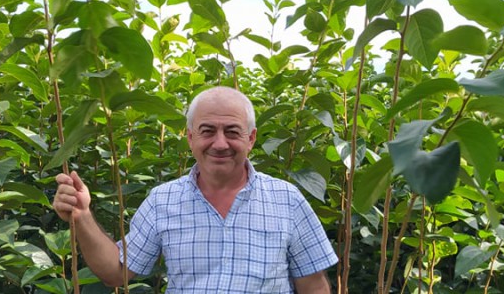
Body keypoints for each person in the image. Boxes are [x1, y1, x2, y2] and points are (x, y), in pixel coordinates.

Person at [53, 86, 338, 293]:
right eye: (207, 131)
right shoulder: (163, 200)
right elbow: (117, 273)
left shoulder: (287, 200)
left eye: (232, 131)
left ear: (251, 139)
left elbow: (313, 286)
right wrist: (82, 215)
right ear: (190, 138)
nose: (220, 143)